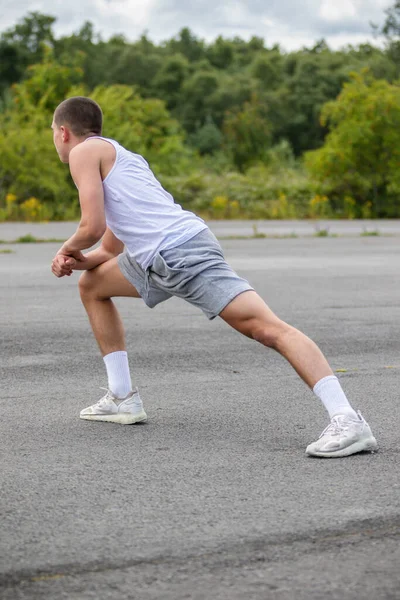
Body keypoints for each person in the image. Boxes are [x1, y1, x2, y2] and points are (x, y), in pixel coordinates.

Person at [50, 96, 377, 458]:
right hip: (156, 258)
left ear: (64, 132)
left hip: (181, 252)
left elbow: (90, 226)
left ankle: (347, 420)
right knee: (93, 285)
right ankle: (122, 397)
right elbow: (108, 250)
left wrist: (63, 249)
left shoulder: (84, 153)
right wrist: (76, 261)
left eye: (53, 132)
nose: (55, 139)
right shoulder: (121, 160)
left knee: (267, 328)